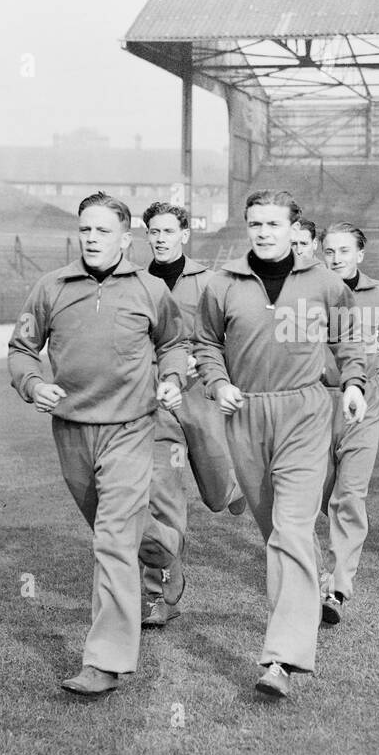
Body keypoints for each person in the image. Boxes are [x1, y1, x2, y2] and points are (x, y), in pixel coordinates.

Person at [8, 193, 188, 697]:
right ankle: (166, 544)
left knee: (110, 542)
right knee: (122, 533)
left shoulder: (151, 289)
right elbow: (22, 349)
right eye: (84, 230)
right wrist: (33, 385)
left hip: (130, 429)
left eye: (102, 231)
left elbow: (174, 344)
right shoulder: (51, 287)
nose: (91, 239)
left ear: (125, 238)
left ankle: (104, 662)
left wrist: (173, 378)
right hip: (71, 431)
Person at [194, 190, 366, 699]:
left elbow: (349, 339)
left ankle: (281, 658)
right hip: (246, 414)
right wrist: (217, 383)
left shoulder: (327, 283)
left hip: (305, 411)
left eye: (273, 223)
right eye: (255, 223)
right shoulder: (221, 284)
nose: (263, 232)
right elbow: (205, 344)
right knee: (275, 529)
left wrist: (354, 382)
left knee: (291, 528)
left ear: (295, 229)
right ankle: (307, 596)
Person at [138, 202, 246, 629]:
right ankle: (161, 593)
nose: (160, 238)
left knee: (221, 492)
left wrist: (210, 363)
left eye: (168, 231)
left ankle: (230, 488)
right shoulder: (136, 283)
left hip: (199, 398)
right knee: (160, 494)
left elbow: (230, 333)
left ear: (185, 234)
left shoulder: (211, 281)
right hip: (156, 402)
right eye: (154, 232)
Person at [314, 222, 379, 624]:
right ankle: (314, 567)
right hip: (315, 403)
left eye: (343, 251)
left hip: (364, 405)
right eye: (329, 251)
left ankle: (336, 588)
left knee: (350, 497)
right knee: (315, 496)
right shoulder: (308, 291)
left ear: (360, 255)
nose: (335, 258)